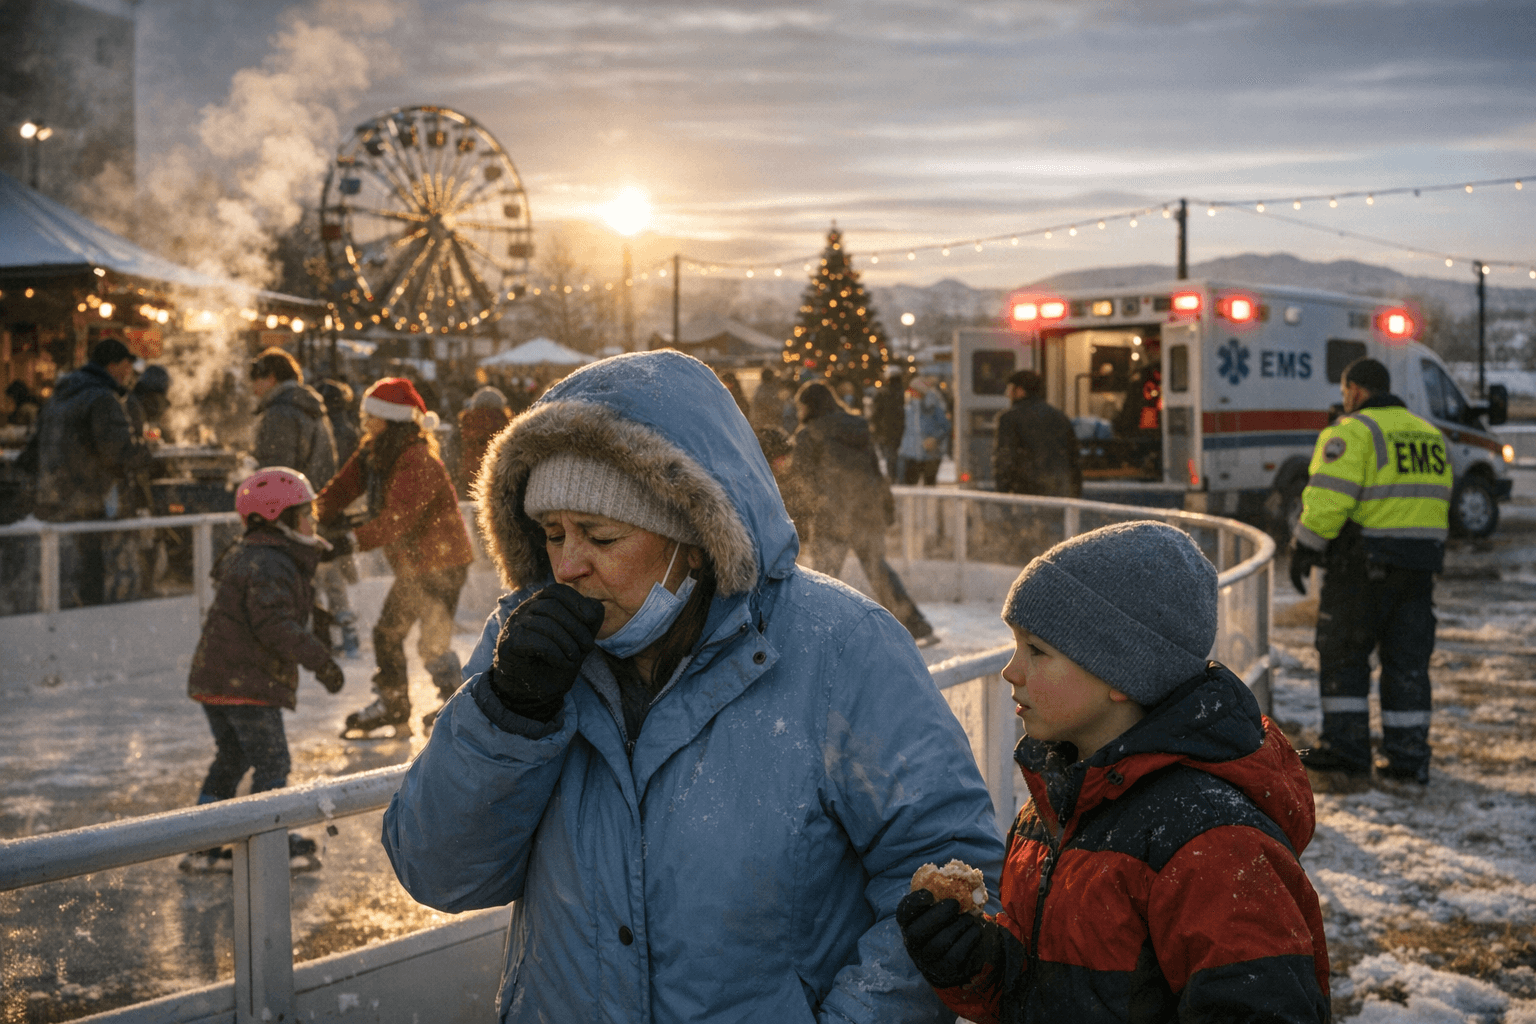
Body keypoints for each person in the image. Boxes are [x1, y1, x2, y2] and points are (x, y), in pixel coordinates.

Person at [381, 350, 1003, 1023]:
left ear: (697, 540)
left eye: (601, 537)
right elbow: (439, 873)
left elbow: (945, 874)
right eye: (553, 534)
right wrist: (508, 716)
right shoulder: (524, 646)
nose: (567, 566)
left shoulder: (842, 647)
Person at [897, 521, 1331, 1024]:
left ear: (1122, 673)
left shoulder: (1210, 842)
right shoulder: (1052, 808)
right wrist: (973, 961)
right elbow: (1050, 990)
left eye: (1037, 650)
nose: (1011, 671)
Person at [1289, 357, 1452, 786]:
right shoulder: (1430, 435)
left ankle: (1346, 751)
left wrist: (1304, 547)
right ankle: (1407, 758)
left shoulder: (1351, 432)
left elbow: (1329, 500)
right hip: (1418, 571)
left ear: (1356, 390)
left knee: (1344, 655)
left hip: (1361, 569)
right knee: (1407, 663)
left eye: (1345, 391)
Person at [180, 467, 346, 873]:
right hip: (246, 682)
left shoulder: (258, 554)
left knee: (232, 757)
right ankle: (266, 846)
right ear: (279, 519)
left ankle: (202, 845)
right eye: (305, 514)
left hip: (219, 677)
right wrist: (321, 661)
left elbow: (270, 605)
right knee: (272, 763)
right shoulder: (270, 561)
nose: (313, 522)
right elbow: (273, 624)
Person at [316, 378, 475, 737]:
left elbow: (399, 519)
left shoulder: (417, 459)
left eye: (370, 416)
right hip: (418, 564)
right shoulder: (375, 454)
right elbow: (341, 489)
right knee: (395, 635)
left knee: (423, 641)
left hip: (443, 564)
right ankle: (403, 705)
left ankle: (456, 707)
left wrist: (350, 541)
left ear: (390, 419)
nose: (364, 422)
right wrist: (309, 516)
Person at [791, 380, 937, 646]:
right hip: (866, 511)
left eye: (800, 406)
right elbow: (875, 470)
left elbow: (803, 480)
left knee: (823, 578)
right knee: (878, 570)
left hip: (832, 515)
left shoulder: (809, 435)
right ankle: (916, 625)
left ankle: (817, 635)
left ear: (809, 406)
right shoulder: (858, 427)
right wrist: (885, 506)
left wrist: (803, 514)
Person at [32, 337, 152, 607]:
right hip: (91, 499)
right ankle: (96, 617)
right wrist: (145, 452)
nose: (128, 374)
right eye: (127, 366)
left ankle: (64, 617)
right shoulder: (102, 398)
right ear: (114, 365)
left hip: (56, 497)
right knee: (95, 570)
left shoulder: (60, 395)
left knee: (64, 572)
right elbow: (116, 452)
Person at [992, 370, 1081, 497]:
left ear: (1020, 390)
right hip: (1061, 491)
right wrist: (1075, 493)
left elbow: (1005, 459)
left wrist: (1002, 492)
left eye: (1010, 389)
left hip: (1027, 492)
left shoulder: (1009, 418)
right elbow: (1073, 458)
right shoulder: (1060, 417)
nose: (1007, 394)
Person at [456, 384, 511, 496]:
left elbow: (454, 452)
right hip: (496, 477)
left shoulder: (467, 422)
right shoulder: (506, 424)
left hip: (468, 477)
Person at [898, 375, 949, 486]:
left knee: (929, 486)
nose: (910, 392)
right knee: (908, 486)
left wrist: (934, 439)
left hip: (930, 454)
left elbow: (945, 427)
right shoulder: (908, 406)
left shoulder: (933, 406)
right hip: (910, 454)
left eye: (913, 390)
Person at [870, 365, 906, 481]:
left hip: (886, 430)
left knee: (889, 454)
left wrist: (874, 426)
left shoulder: (882, 393)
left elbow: (875, 413)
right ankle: (899, 477)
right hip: (902, 428)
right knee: (898, 454)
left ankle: (892, 476)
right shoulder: (904, 394)